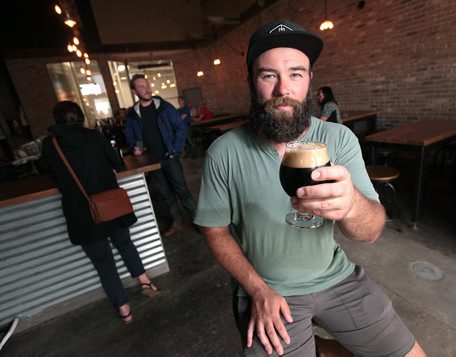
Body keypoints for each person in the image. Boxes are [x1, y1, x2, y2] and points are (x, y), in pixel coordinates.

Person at [194, 19, 426, 357]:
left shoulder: (338, 139)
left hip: (337, 278)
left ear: (309, 81)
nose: (282, 89)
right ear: (251, 81)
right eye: (268, 75)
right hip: (269, 290)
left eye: (296, 74)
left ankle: (320, 348)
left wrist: (351, 206)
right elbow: (214, 230)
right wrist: (257, 290)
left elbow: (371, 231)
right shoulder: (224, 151)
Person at [41, 101, 158, 325]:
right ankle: (145, 282)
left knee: (104, 263)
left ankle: (124, 310)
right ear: (81, 117)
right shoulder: (94, 137)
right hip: (111, 205)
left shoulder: (51, 145)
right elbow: (117, 162)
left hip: (82, 213)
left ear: (56, 120)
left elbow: (49, 173)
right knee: (125, 244)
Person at [124, 74, 197, 237]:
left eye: (147, 85)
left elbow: (180, 128)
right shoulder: (132, 114)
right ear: (134, 91)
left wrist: (175, 150)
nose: (147, 89)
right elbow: (129, 134)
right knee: (165, 193)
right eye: (141, 86)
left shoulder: (164, 107)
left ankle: (197, 220)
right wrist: (134, 146)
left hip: (169, 157)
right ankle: (177, 220)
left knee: (182, 190)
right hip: (151, 162)